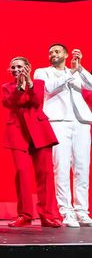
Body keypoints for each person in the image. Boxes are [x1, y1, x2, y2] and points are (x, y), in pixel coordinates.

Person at [34, 45, 92, 228]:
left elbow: (90, 85)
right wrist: (70, 74)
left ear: (66, 55)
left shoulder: (76, 71)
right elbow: (48, 89)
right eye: (50, 52)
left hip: (81, 121)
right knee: (61, 166)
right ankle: (66, 211)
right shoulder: (42, 72)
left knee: (82, 166)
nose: (53, 54)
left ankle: (82, 210)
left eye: (57, 52)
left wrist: (79, 69)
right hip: (58, 121)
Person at [2, 57, 62, 228]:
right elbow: (10, 103)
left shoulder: (38, 83)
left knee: (45, 174)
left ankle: (47, 215)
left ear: (28, 68)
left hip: (39, 131)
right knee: (22, 173)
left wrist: (28, 83)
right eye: (13, 67)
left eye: (20, 66)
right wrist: (20, 89)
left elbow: (36, 101)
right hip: (18, 132)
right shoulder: (7, 87)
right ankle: (25, 215)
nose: (16, 69)